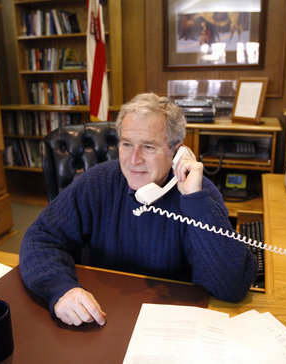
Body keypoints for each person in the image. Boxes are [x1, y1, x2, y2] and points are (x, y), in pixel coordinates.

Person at [19, 93, 256, 327]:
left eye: (148, 147)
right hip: (101, 315)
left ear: (177, 152)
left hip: (171, 324)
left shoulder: (198, 194)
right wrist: (62, 289)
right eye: (126, 144)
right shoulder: (97, 183)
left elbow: (231, 287)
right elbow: (41, 238)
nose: (133, 159)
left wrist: (195, 201)